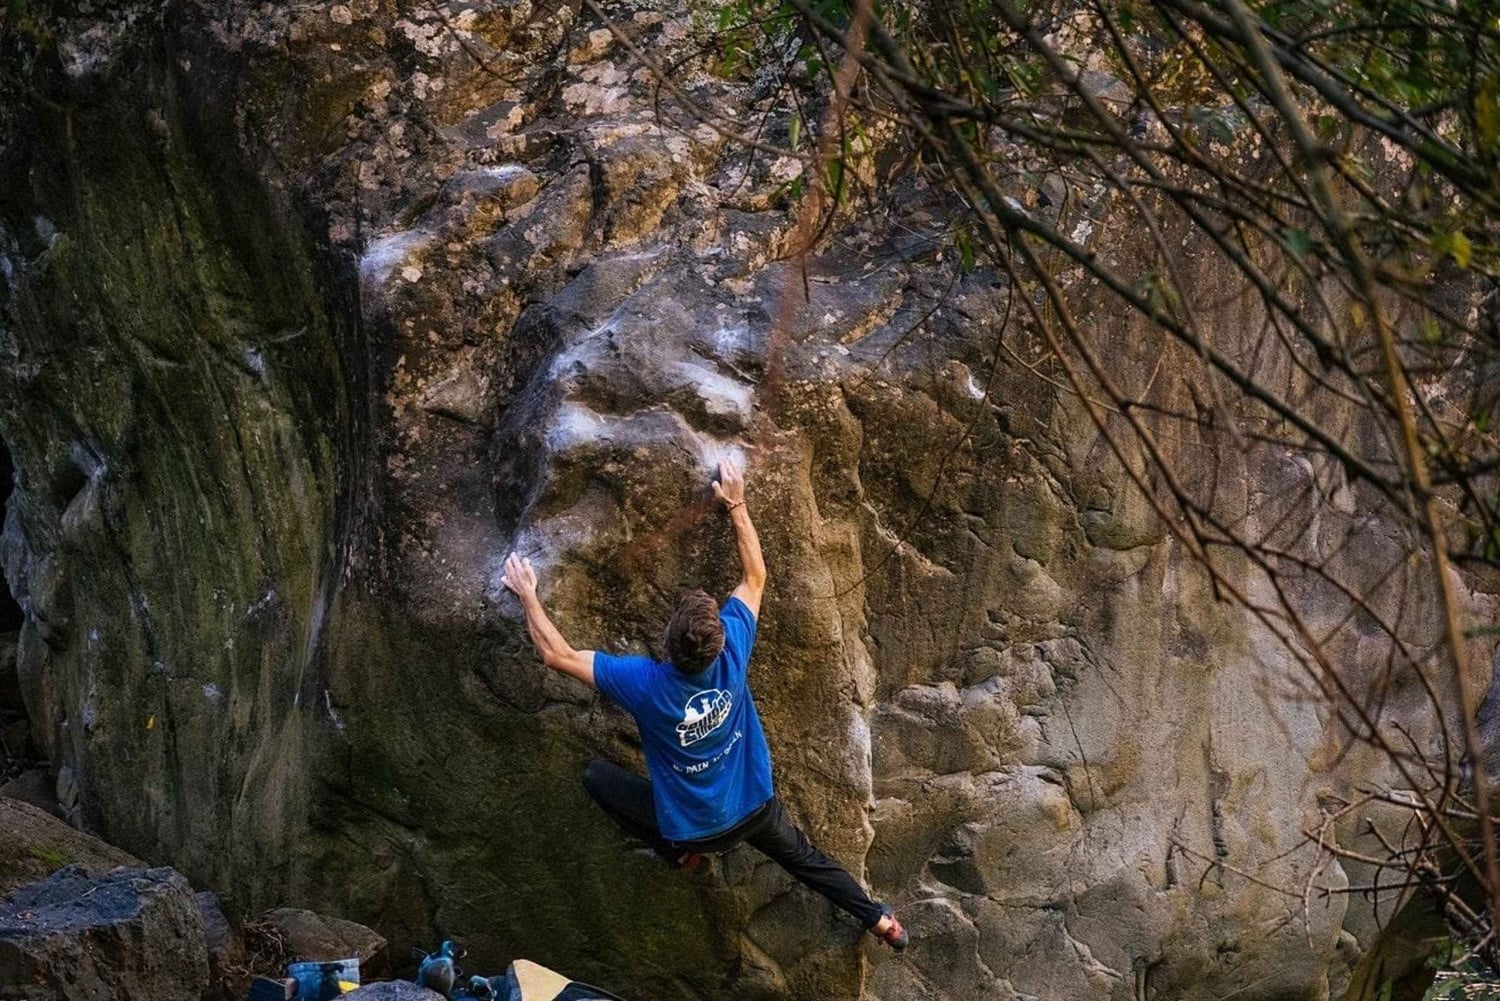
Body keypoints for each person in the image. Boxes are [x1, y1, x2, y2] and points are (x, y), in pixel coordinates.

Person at [500, 458, 907, 951]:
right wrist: (735, 501)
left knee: (595, 778)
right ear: (716, 641)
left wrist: (527, 593)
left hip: (691, 831)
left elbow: (555, 654)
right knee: (806, 860)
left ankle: (678, 856)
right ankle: (879, 921)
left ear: (667, 645)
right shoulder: (733, 649)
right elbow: (755, 575)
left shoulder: (645, 683)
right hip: (754, 808)